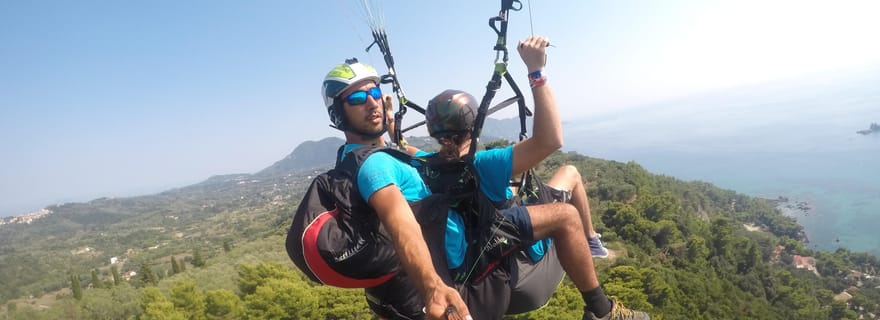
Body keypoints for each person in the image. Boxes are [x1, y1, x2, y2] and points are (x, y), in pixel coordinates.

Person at [418, 36, 650, 320]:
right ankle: (603, 310)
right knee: (566, 210)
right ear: (474, 123)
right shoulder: (484, 163)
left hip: (476, 273)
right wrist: (536, 72)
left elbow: (404, 150)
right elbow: (550, 140)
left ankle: (591, 241)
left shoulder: (423, 165)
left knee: (570, 174)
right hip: (523, 272)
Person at [286, 58, 471, 320]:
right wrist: (433, 288)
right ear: (338, 113)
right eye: (358, 98)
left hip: (395, 298)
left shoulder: (352, 157)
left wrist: (388, 117)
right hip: (431, 294)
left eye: (375, 93)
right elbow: (399, 222)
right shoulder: (375, 164)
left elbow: (392, 149)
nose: (372, 102)